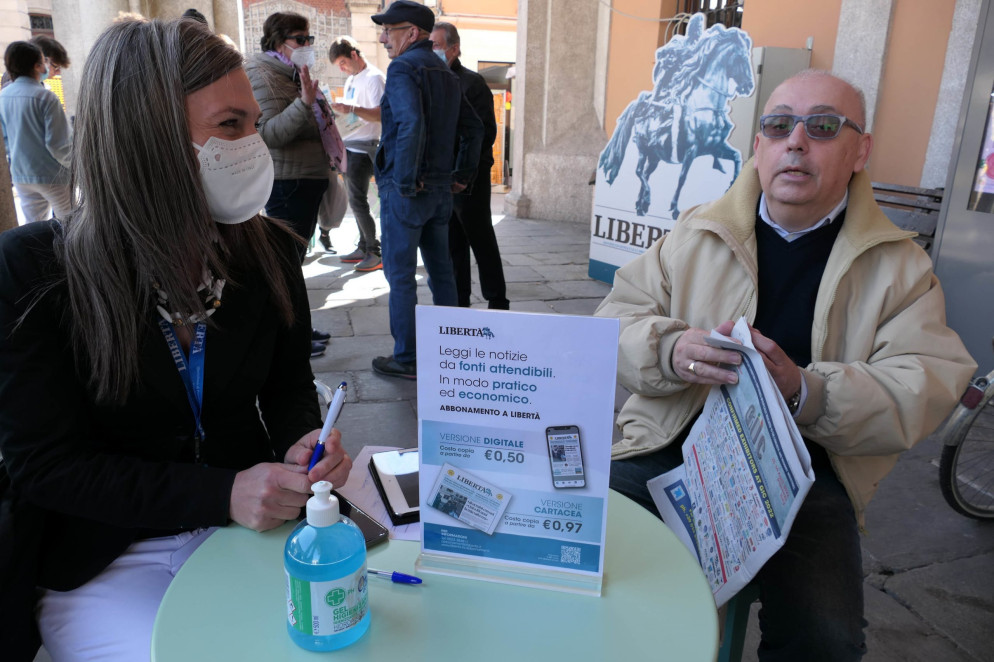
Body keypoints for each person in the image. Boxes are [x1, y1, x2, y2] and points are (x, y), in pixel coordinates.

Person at [0, 18, 352, 661]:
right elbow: (45, 466)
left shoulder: (270, 251)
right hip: (106, 556)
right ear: (148, 136)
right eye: (230, 125)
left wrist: (304, 441)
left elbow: (287, 386)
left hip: (247, 534)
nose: (254, 146)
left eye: (253, 123)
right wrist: (220, 493)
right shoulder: (33, 270)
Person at [594, 70, 976, 661]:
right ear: (759, 145)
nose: (796, 141)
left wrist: (807, 391)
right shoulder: (696, 231)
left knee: (824, 641)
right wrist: (670, 349)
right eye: (778, 125)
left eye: (822, 126)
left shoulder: (901, 267)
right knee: (578, 560)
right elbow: (612, 322)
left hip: (808, 470)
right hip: (669, 445)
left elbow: (924, 382)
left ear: (860, 152)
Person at [370, 0, 483, 380]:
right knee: (442, 273)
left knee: (401, 277)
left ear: (412, 33)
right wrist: (461, 174)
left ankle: (407, 357)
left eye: (389, 30)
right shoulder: (445, 72)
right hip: (439, 191)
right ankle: (451, 351)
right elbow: (474, 129)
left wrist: (404, 180)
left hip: (408, 191)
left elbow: (411, 123)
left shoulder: (403, 67)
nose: (384, 38)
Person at [246, 11, 344, 357]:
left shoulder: (290, 72)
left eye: (308, 39)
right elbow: (270, 133)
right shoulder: (262, 73)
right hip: (289, 182)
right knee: (285, 266)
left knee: (293, 263)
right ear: (277, 41)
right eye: (299, 40)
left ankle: (299, 329)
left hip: (307, 178)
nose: (306, 46)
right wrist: (304, 103)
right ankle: (289, 340)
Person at [430, 22, 509, 310]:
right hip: (443, 178)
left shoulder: (472, 83)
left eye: (437, 45)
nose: (432, 50)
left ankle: (497, 300)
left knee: (480, 238)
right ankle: (459, 301)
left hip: (470, 177)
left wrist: (464, 171)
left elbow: (484, 133)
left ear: (454, 48)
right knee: (453, 243)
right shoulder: (435, 82)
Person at [329, 36, 385, 272]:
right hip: (350, 145)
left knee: (357, 200)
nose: (341, 69)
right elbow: (354, 115)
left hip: (364, 147)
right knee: (356, 200)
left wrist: (350, 109)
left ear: (354, 54)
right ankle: (363, 246)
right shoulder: (352, 80)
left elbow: (380, 114)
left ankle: (374, 251)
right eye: (338, 66)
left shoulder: (374, 78)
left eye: (342, 62)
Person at [0, 41, 72, 224]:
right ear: (37, 65)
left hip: (21, 175)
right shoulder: (46, 97)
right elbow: (58, 145)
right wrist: (76, 166)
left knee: (33, 227)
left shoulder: (3, 97)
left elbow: (5, 142)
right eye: (43, 61)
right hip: (53, 175)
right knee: (71, 223)